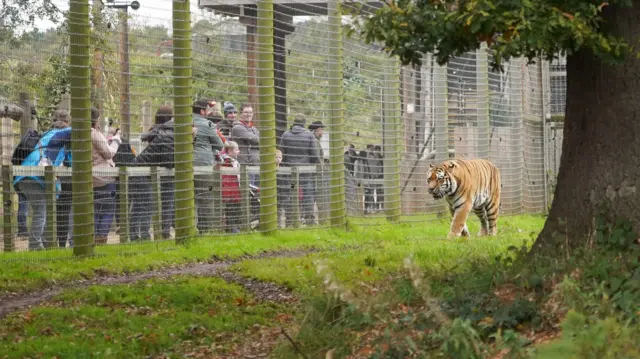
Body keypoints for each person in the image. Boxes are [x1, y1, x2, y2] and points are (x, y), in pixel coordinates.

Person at [13, 119, 72, 250]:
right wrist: (87, 126)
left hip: (25, 177)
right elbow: (74, 132)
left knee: (44, 210)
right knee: (41, 211)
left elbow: (67, 160)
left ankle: (45, 243)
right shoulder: (60, 133)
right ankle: (35, 245)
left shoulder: (46, 139)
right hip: (32, 177)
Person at [130, 105, 175, 240]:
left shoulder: (155, 132)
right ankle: (141, 236)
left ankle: (144, 234)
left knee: (143, 204)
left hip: (153, 172)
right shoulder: (165, 135)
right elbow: (168, 161)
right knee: (145, 204)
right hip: (144, 172)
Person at [279, 113, 319, 226]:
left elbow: (282, 152)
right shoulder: (309, 135)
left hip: (289, 171)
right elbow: (314, 155)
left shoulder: (285, 135)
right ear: (304, 123)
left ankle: (290, 220)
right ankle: (309, 220)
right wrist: (310, 165)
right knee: (308, 194)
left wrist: (287, 164)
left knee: (289, 195)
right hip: (305, 171)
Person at [192, 98, 224, 234]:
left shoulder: (183, 122)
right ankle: (205, 230)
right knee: (206, 197)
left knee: (187, 198)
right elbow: (219, 145)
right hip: (203, 166)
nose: (210, 111)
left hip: (186, 164)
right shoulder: (208, 125)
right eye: (208, 109)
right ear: (202, 111)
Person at [90, 107, 121, 245]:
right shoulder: (93, 133)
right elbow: (108, 153)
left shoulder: (77, 132)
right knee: (108, 209)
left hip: (91, 178)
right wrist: (116, 141)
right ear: (95, 120)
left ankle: (94, 238)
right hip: (104, 177)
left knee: (95, 210)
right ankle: (101, 239)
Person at [230, 103, 260, 187]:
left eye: (250, 112)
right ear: (240, 114)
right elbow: (257, 140)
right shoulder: (237, 128)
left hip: (256, 165)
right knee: (247, 192)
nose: (249, 114)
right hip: (245, 165)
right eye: (246, 112)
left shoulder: (254, 129)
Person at [220, 141, 241, 233]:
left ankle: (234, 228)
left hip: (235, 190)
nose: (238, 151)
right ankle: (232, 229)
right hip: (230, 191)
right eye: (236, 149)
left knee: (235, 209)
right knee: (231, 210)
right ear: (230, 151)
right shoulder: (226, 162)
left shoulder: (234, 162)